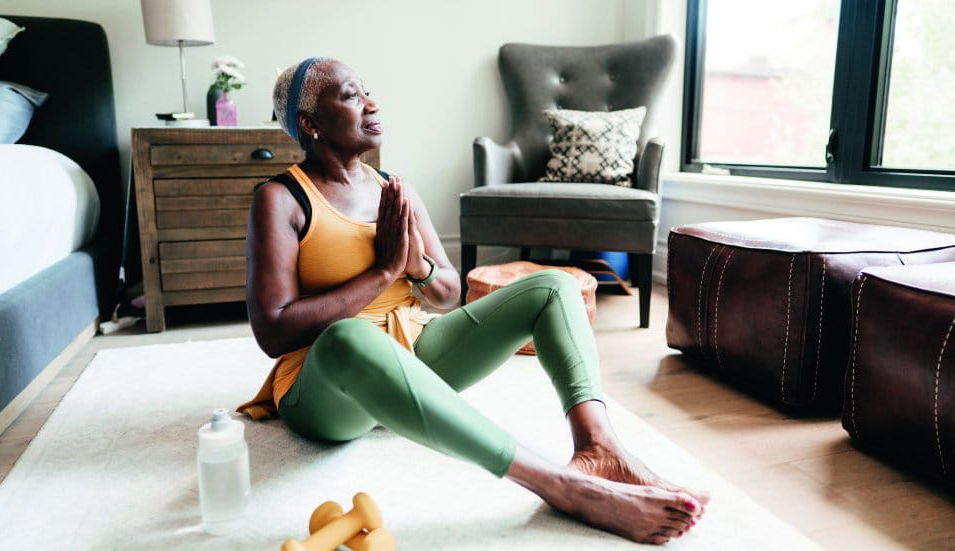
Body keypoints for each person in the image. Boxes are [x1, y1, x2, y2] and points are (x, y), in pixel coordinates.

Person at [237, 56, 709, 545]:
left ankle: (599, 447)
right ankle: (561, 486)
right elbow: (274, 331)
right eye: (352, 95)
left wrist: (416, 267)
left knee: (555, 286)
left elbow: (448, 294)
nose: (372, 103)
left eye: (369, 91)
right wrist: (383, 272)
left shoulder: (394, 190)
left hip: (411, 353)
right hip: (328, 387)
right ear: (310, 124)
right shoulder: (281, 199)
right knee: (347, 336)